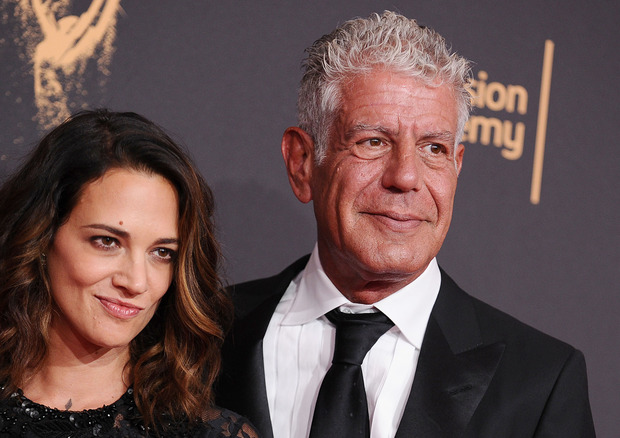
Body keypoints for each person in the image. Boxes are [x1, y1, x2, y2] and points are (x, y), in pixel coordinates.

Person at [214, 11, 595, 438]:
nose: (406, 177)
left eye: (434, 148)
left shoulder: (540, 383)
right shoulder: (198, 334)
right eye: (373, 142)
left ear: (457, 166)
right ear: (303, 163)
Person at [0, 109, 258, 438]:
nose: (137, 282)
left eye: (162, 252)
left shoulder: (216, 434)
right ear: (39, 237)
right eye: (107, 241)